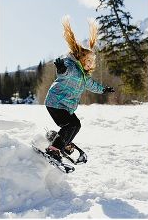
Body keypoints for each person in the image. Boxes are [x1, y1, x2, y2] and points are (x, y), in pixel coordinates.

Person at [45, 17, 115, 162]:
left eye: (92, 62)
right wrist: (61, 69)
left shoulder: (84, 76)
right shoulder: (71, 66)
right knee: (70, 125)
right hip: (55, 103)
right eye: (88, 61)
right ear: (81, 59)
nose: (90, 64)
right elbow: (65, 73)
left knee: (76, 125)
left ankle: (60, 141)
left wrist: (103, 90)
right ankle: (54, 149)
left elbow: (92, 85)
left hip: (64, 106)